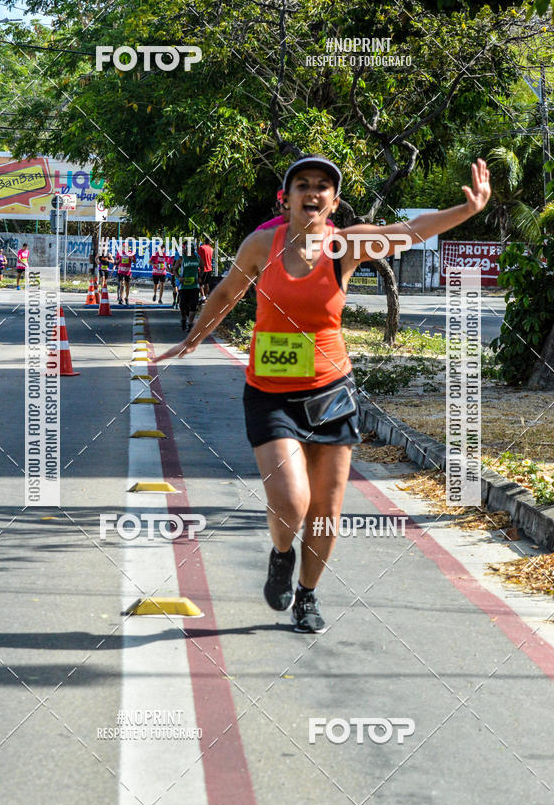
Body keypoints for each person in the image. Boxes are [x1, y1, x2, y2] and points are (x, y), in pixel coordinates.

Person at [155, 155, 491, 633]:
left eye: (322, 186)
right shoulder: (260, 245)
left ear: (334, 201)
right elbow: (229, 292)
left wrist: (468, 210)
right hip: (269, 392)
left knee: (326, 511)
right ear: (286, 198)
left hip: (331, 391)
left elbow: (410, 231)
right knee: (291, 501)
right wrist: (194, 337)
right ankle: (281, 554)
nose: (312, 193)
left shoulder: (345, 246)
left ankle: (308, 596)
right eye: (303, 185)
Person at [256, 188, 334, 232]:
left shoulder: (326, 226)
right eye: (287, 206)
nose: (292, 212)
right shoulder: (264, 230)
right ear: (279, 206)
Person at [173, 240, 202, 332]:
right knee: (183, 305)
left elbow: (203, 267)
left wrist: (200, 277)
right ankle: (184, 319)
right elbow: (174, 270)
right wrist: (179, 278)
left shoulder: (197, 259)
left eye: (192, 252)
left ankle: (190, 324)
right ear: (185, 251)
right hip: (184, 286)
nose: (190, 254)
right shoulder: (181, 259)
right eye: (188, 252)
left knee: (193, 305)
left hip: (194, 285)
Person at [197, 236, 214, 301]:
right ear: (209, 242)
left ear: (204, 241)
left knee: (200, 283)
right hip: (209, 268)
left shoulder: (201, 248)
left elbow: (199, 258)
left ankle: (203, 296)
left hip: (202, 268)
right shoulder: (211, 249)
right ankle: (205, 296)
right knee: (206, 284)